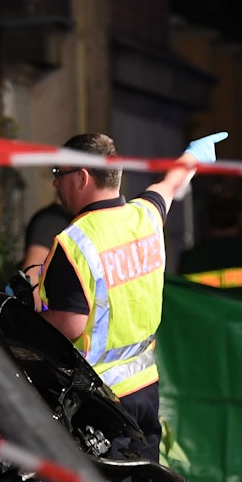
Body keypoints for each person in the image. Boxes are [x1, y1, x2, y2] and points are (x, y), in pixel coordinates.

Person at [34, 133, 199, 461]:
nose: (55, 185)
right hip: (146, 390)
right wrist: (191, 160)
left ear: (82, 177)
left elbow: (69, 323)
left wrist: (28, 316)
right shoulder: (145, 218)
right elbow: (168, 186)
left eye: (59, 174)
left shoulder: (75, 242)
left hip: (100, 402)